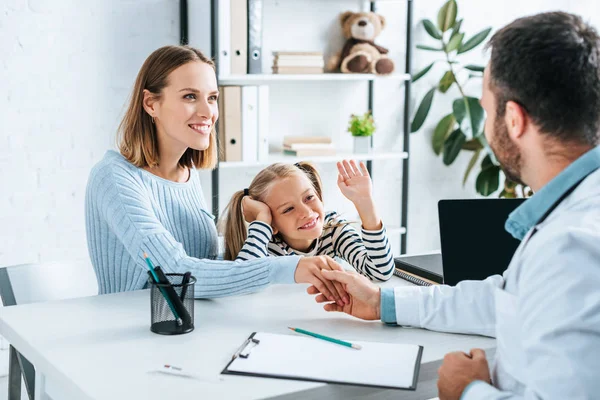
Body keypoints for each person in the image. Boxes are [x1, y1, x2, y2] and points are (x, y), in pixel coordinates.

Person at [309, 11, 600, 400]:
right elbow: (503, 301)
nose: (484, 124)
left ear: (513, 120)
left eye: (485, 108)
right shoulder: (572, 213)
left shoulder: (574, 246)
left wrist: (468, 391)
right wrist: (382, 301)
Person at [85, 45, 348, 304]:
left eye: (212, 97)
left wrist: (262, 226)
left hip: (193, 325)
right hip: (136, 330)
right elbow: (175, 272)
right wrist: (288, 267)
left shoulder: (186, 174)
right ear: (151, 103)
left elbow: (205, 264)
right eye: (190, 96)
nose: (207, 112)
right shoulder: (115, 178)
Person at [221, 160, 394, 282]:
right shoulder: (267, 247)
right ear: (272, 225)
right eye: (288, 209)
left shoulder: (333, 229)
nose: (307, 212)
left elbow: (380, 272)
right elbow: (242, 281)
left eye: (309, 197)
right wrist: (263, 221)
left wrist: (365, 203)